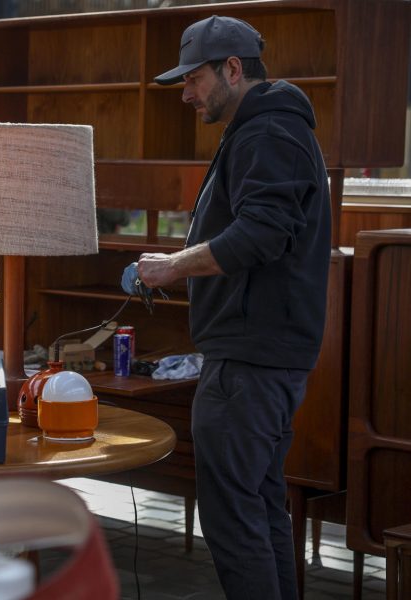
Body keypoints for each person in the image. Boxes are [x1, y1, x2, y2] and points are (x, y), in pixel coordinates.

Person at [138, 15, 330, 600]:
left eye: (193, 79)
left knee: (232, 518)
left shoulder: (267, 134)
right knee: (260, 507)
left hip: (250, 361)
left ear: (233, 68)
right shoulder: (264, 128)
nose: (187, 94)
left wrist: (173, 266)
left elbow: (261, 235)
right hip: (262, 358)